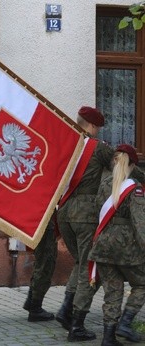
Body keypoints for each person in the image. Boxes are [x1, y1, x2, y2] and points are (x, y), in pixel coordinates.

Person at [57, 106, 145, 342]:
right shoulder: (98, 148)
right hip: (86, 215)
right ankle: (76, 322)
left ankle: (67, 310)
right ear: (93, 126)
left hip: (63, 211)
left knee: (82, 262)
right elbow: (122, 167)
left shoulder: (66, 143)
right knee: (89, 267)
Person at [88, 144, 145, 345]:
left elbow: (97, 211)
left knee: (112, 292)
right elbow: (140, 223)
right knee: (142, 283)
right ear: (131, 164)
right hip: (126, 248)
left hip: (103, 246)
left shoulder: (104, 184)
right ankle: (125, 323)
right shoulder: (135, 188)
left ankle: (108, 337)